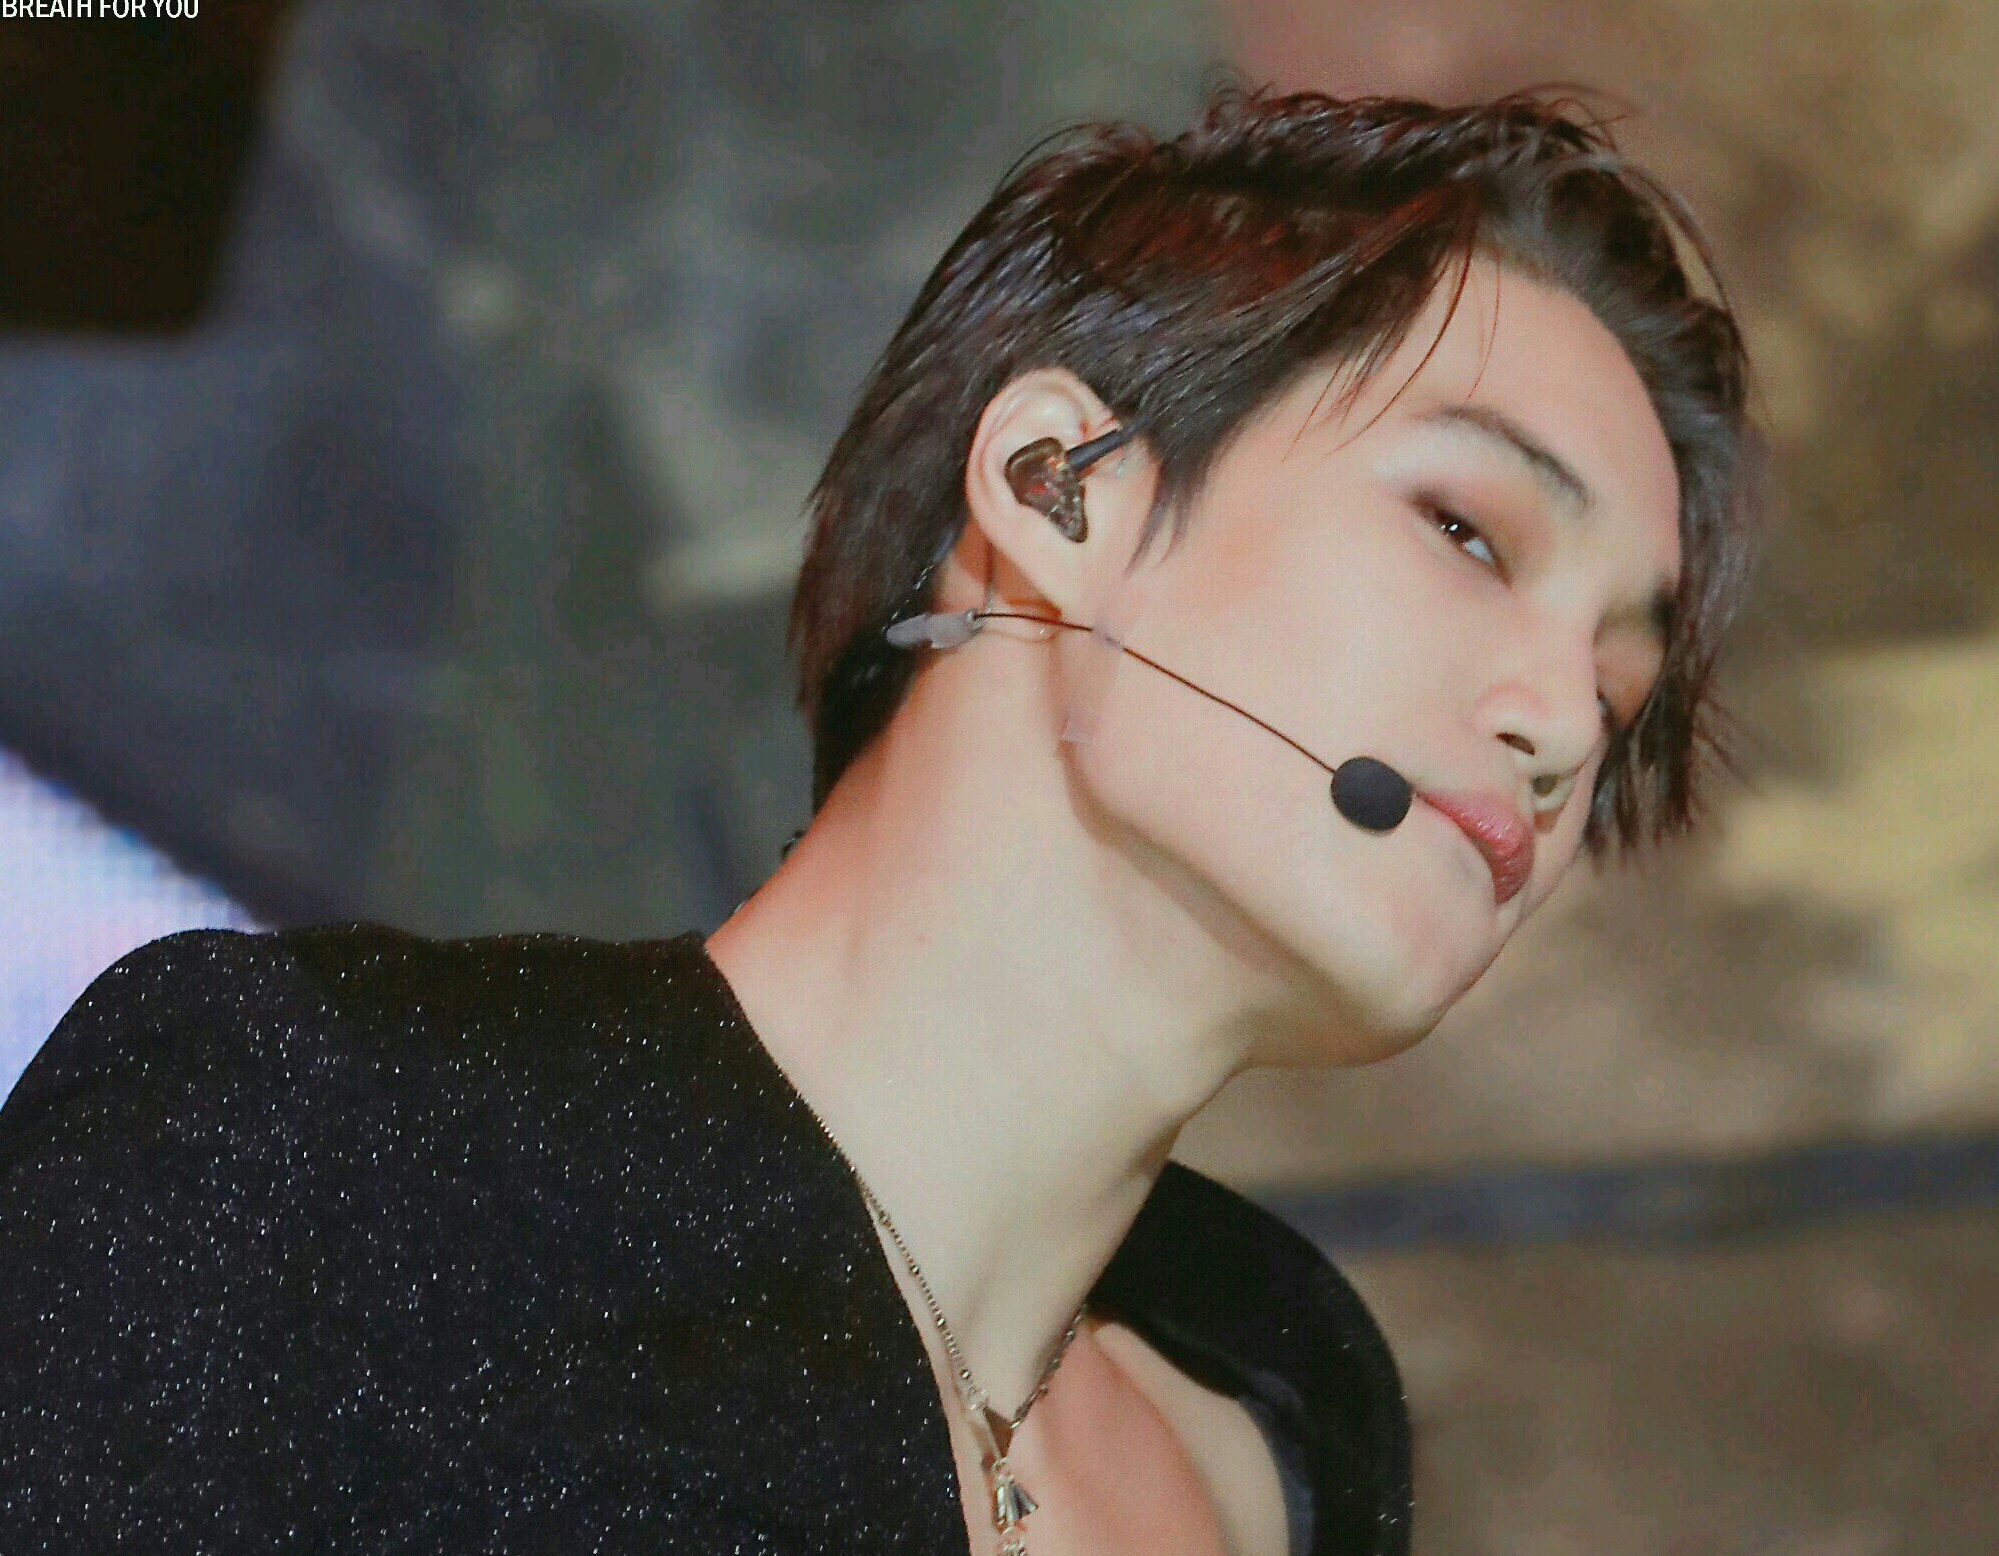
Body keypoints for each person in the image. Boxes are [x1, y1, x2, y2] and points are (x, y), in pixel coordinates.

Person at [0, 88, 1757, 1556]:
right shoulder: (317, 1143)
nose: (1556, 727)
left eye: (1618, 692)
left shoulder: (1280, 1432)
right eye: (1468, 533)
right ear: (1057, 487)